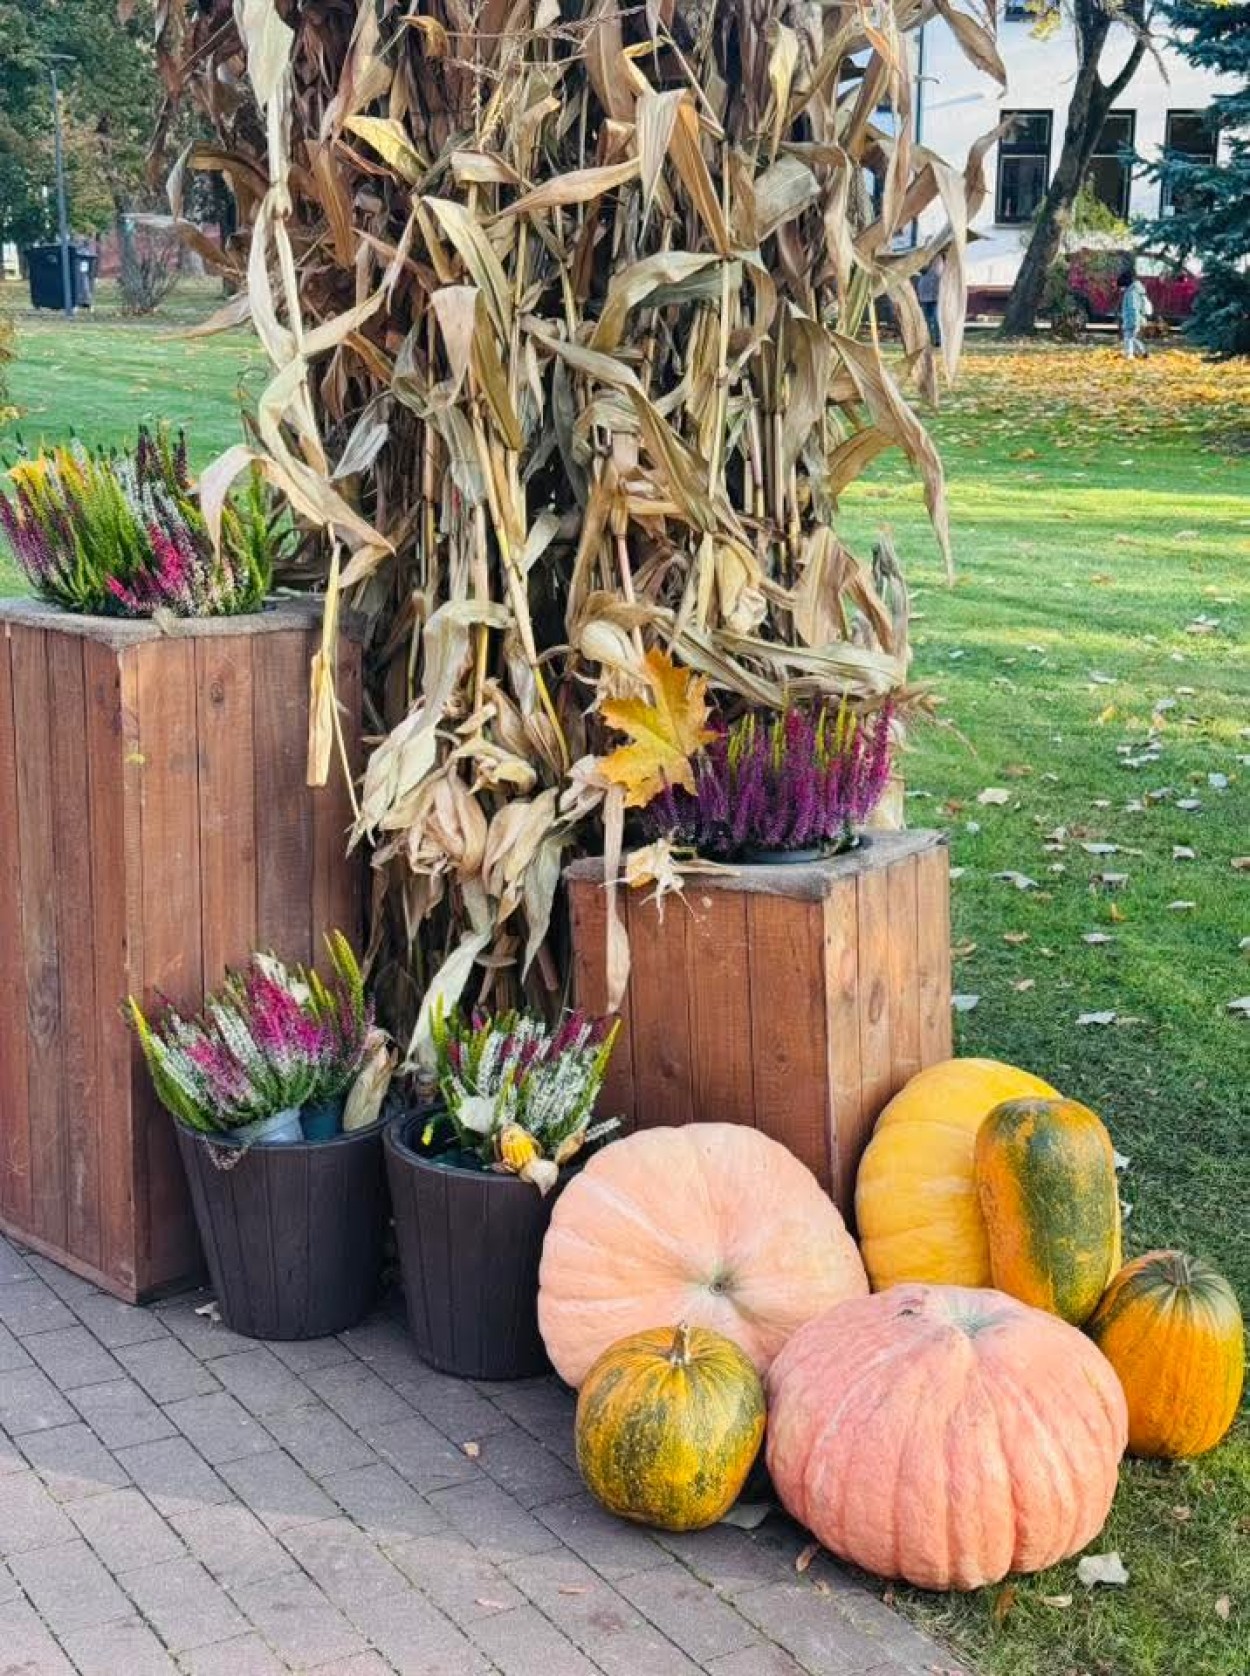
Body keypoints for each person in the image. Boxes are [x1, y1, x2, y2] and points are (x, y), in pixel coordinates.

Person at [1117, 267, 1152, 360]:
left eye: (1121, 287)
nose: (1120, 289)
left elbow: (1133, 308)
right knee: (1133, 338)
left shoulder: (1131, 293)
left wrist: (1135, 322)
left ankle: (1130, 355)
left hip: (1133, 319)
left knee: (1128, 337)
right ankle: (1143, 352)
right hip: (1134, 319)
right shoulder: (1135, 291)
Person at [915, 254, 944, 347]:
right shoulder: (921, 275)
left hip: (935, 298)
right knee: (927, 321)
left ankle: (938, 340)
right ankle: (931, 340)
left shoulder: (937, 267)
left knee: (936, 319)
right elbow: (921, 270)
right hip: (924, 298)